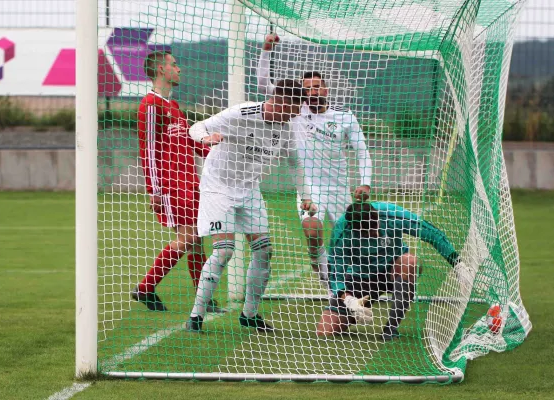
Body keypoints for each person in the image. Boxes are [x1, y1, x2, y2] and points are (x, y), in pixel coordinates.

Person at [185, 79, 315, 333]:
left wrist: (306, 195)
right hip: (218, 187)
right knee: (224, 251)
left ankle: (249, 315)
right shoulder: (241, 112)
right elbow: (196, 126)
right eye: (294, 108)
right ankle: (196, 316)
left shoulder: (286, 128)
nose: (297, 114)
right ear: (279, 102)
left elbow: (295, 164)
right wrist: (206, 137)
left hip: (249, 189)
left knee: (264, 250)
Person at [257, 33, 372, 291]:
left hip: (340, 189)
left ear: (325, 88)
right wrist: (266, 49)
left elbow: (362, 151)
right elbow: (264, 83)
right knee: (312, 230)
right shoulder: (296, 112)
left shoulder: (344, 116)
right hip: (310, 189)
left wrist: (365, 183)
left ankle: (349, 286)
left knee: (353, 244)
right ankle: (320, 266)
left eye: (317, 86)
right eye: (307, 88)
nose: (313, 91)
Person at [132, 50, 224, 313]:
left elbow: (188, 143)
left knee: (196, 240)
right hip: (171, 185)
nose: (179, 69)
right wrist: (154, 190)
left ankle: (203, 299)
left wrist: (216, 151)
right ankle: (145, 287)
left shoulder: (173, 106)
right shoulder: (151, 104)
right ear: (161, 70)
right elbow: (147, 148)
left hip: (190, 183)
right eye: (174, 65)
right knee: (189, 238)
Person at [316, 201, 473, 341]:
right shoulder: (342, 233)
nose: (374, 233)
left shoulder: (391, 214)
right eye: (367, 232)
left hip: (393, 269)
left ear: (376, 216)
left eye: (375, 226)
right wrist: (350, 301)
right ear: (354, 228)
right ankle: (355, 312)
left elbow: (431, 233)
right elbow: (335, 275)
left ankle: (390, 329)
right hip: (361, 278)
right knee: (325, 331)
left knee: (410, 262)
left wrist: (458, 266)